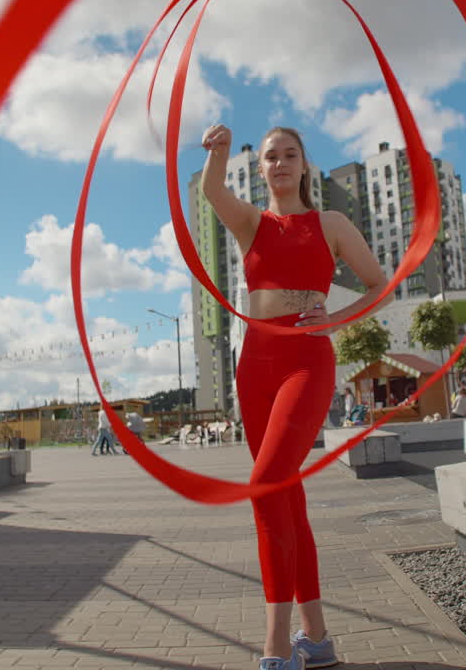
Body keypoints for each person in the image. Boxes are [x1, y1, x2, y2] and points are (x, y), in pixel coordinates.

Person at [202, 123, 389, 670]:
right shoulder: (251, 223)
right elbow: (213, 192)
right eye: (269, 157)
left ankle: (278, 643)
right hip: (252, 366)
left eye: (290, 155)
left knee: (264, 488)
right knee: (286, 500)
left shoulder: (329, 223)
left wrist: (335, 317)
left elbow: (379, 283)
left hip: (305, 361)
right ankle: (319, 639)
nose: (279, 163)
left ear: (305, 164)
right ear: (259, 169)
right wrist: (217, 151)